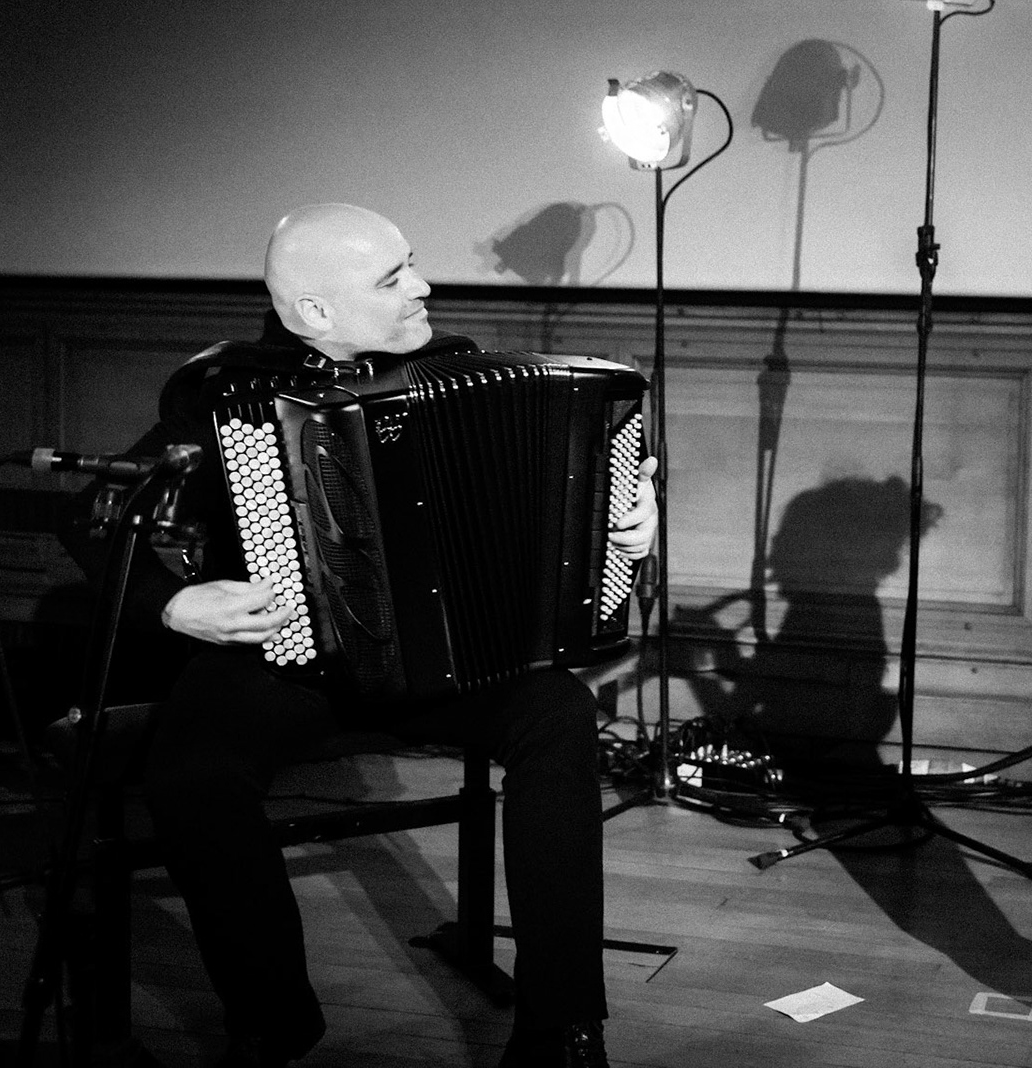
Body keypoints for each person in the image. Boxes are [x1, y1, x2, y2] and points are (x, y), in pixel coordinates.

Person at [74, 204, 659, 1068]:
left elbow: (562, 515)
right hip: (287, 661)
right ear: (315, 311)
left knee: (559, 715)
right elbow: (91, 518)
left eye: (412, 263)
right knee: (192, 772)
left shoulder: (455, 371)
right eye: (393, 279)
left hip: (455, 663)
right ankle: (271, 1020)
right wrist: (174, 604)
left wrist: (626, 529)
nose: (423, 286)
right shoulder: (228, 393)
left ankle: (561, 1029)